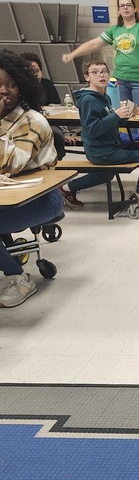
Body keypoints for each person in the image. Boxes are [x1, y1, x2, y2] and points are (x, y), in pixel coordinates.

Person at [0, 50, 61, 308]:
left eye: (11, 85)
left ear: (23, 87)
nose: (5, 91)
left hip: (39, 198)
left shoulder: (32, 120)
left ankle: (19, 277)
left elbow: (11, 164)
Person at [60, 60, 139, 213]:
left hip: (109, 146)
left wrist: (125, 114)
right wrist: (116, 115)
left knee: (105, 175)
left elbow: (108, 122)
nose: (101, 75)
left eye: (104, 71)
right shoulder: (88, 100)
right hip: (102, 151)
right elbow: (92, 129)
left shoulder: (105, 97)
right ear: (87, 77)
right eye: (95, 72)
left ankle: (66, 188)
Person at [62, 0, 139, 108]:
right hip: (120, 80)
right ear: (119, 10)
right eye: (122, 6)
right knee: (121, 117)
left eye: (128, 5)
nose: (125, 8)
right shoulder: (115, 30)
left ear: (134, 8)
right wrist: (72, 54)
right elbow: (93, 44)